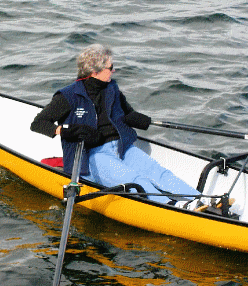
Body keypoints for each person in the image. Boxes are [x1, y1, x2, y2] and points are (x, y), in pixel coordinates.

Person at [30, 44, 206, 210]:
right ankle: (175, 208)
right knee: (137, 181)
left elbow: (127, 113)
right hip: (91, 157)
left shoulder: (111, 88)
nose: (113, 70)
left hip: (122, 148)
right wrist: (66, 130)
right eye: (110, 67)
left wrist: (140, 119)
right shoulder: (68, 96)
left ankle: (200, 200)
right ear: (95, 72)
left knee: (159, 173)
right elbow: (38, 124)